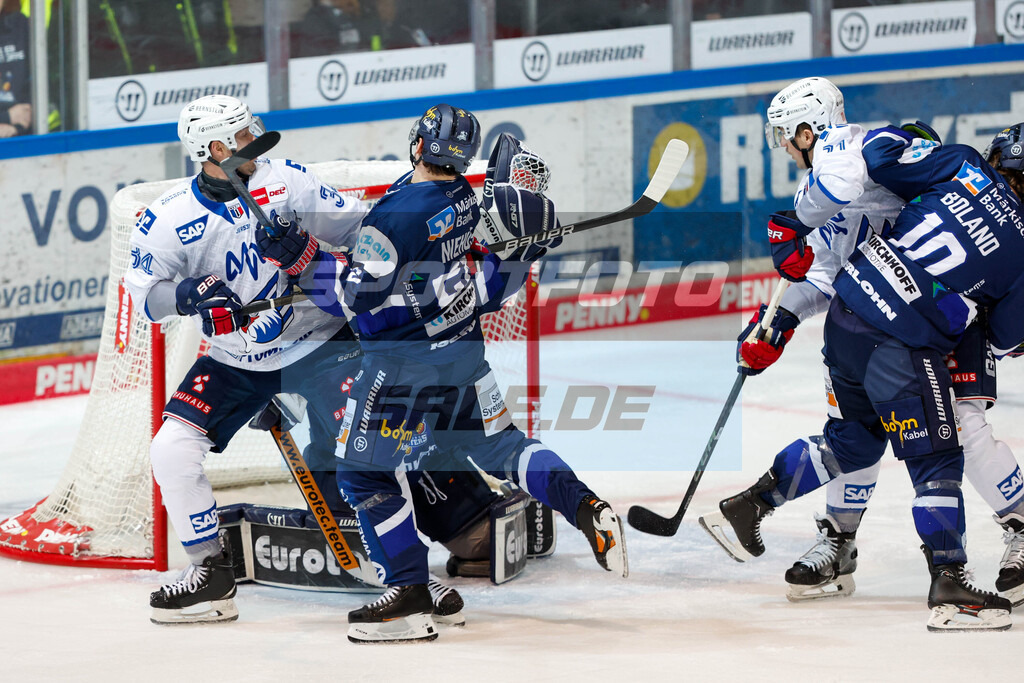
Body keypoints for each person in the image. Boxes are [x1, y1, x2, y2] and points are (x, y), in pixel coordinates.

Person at [256, 103, 628, 643]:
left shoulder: (395, 217)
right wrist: (523, 250)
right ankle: (585, 505)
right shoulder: (467, 201)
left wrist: (301, 258)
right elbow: (487, 283)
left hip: (401, 369)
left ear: (417, 146)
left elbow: (354, 298)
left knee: (364, 474)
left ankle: (409, 596)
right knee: (504, 447)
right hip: (464, 358)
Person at [125, 94, 486, 626]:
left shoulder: (288, 182)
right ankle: (210, 574)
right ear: (215, 149)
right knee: (171, 449)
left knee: (371, 455)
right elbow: (147, 297)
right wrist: (187, 295)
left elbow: (366, 237)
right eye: (244, 135)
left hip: (323, 344)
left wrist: (314, 255)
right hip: (236, 358)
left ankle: (406, 576)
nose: (257, 140)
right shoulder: (169, 216)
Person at [699, 80, 1024, 630]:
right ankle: (942, 581)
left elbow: (875, 159)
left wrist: (798, 225)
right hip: (909, 331)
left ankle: (754, 502)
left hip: (853, 313)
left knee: (856, 440)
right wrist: (777, 319)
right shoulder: (842, 172)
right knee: (938, 452)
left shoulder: (949, 163)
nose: (784, 147)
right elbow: (1007, 338)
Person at [0, 0, 32, 137]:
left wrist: (18, 128)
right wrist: (6, 117)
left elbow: (40, 86)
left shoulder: (19, 25)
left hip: (24, 137)